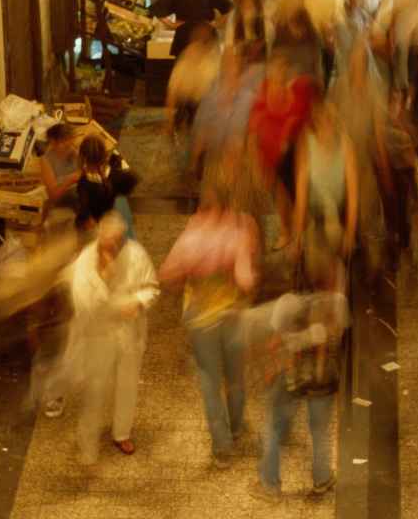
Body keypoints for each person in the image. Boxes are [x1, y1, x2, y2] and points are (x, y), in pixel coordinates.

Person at [159, 195, 260, 465]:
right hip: (233, 315)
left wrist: (191, 269)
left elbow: (167, 274)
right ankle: (236, 428)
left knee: (211, 383)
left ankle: (222, 448)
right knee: (236, 377)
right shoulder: (241, 228)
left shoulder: (192, 236)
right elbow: (246, 281)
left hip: (202, 319)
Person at [67, 212, 158, 462]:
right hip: (99, 335)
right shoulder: (85, 261)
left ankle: (122, 432)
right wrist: (104, 282)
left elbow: (151, 287)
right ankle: (88, 438)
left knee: (127, 383)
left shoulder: (136, 254)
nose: (112, 249)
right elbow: (81, 301)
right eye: (107, 244)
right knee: (96, 388)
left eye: (117, 243)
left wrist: (138, 303)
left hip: (130, 333)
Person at [247, 291, 349, 500]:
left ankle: (270, 485)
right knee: (320, 431)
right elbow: (341, 337)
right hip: (325, 379)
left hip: (294, 377)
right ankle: (322, 479)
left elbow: (275, 344)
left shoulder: (288, 302)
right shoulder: (338, 300)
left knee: (273, 428)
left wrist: (271, 364)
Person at [293, 99, 359, 290]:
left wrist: (350, 231)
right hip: (313, 212)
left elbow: (353, 194)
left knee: (334, 253)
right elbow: (301, 192)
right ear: (316, 122)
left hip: (336, 211)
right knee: (313, 264)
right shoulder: (306, 144)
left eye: (331, 119)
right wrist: (298, 233)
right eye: (323, 120)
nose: (328, 124)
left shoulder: (346, 145)